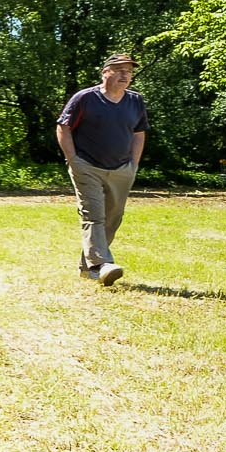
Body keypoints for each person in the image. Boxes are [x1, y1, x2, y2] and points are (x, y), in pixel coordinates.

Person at [57, 53, 148, 286]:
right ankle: (102, 264)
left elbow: (139, 133)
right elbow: (63, 127)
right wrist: (73, 160)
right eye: (119, 70)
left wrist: (133, 164)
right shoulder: (85, 98)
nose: (125, 75)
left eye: (128, 71)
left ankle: (88, 268)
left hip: (121, 169)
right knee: (94, 214)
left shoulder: (135, 101)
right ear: (105, 72)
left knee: (112, 218)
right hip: (87, 165)